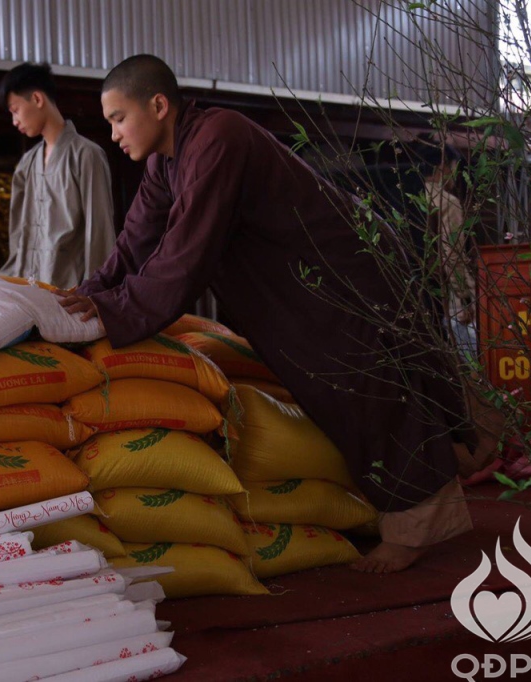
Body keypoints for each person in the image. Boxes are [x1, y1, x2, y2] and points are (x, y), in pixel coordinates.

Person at [59, 55, 482, 573]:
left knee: (367, 389)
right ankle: (443, 466)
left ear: (159, 104)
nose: (114, 133)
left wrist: (109, 312)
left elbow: (182, 255)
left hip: (340, 270)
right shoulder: (163, 165)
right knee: (337, 391)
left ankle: (418, 529)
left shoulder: (219, 137)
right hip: (297, 289)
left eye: (118, 118)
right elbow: (133, 245)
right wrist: (85, 297)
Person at [0, 62, 116, 289]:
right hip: (28, 293)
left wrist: (95, 294)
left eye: (15, 110)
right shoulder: (26, 164)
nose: (14, 121)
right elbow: (18, 237)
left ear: (37, 99)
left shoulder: (87, 155)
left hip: (70, 296)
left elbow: (100, 233)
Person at [415, 138, 478, 358]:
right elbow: (452, 255)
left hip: (412, 294)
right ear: (443, 165)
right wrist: (467, 298)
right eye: (453, 168)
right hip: (443, 299)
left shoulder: (412, 198)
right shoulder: (446, 203)